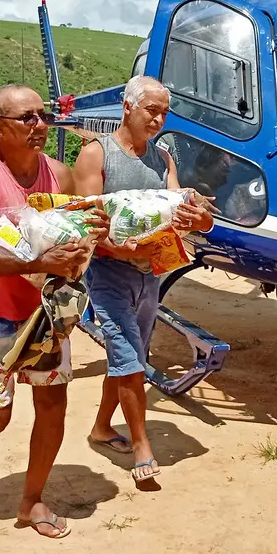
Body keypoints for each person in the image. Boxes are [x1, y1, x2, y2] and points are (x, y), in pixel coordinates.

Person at [0, 83, 105, 539]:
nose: (40, 125)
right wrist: (38, 263)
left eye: (44, 115)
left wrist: (97, 234)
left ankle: (32, 500)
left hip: (44, 314)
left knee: (52, 405)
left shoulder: (59, 173)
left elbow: (80, 238)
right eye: (27, 118)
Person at [73, 75, 213, 485]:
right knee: (132, 360)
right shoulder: (96, 156)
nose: (159, 118)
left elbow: (178, 208)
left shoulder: (163, 159)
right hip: (108, 275)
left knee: (127, 358)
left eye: (165, 112)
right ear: (128, 107)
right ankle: (141, 445)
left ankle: (101, 427)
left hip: (150, 276)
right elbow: (88, 226)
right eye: (152, 109)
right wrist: (124, 250)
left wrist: (199, 219)